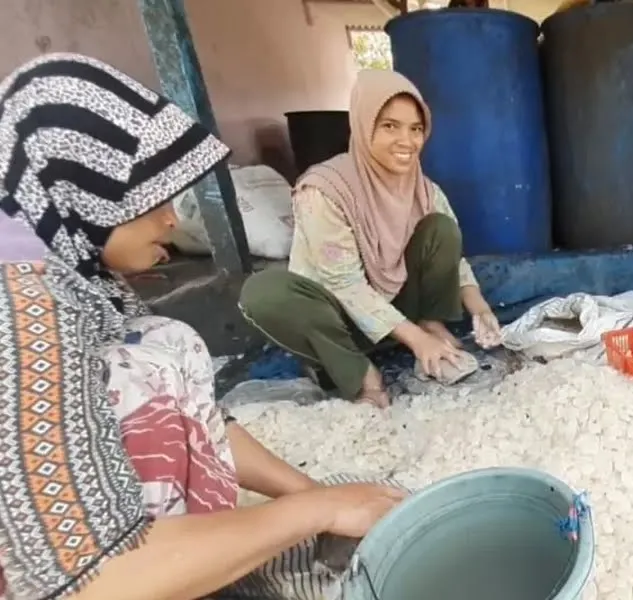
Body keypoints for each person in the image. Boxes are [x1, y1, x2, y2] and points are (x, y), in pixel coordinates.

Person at [0, 53, 406, 600]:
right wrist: (316, 509)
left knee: (164, 345)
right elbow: (92, 581)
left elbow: (199, 418)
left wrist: (315, 501)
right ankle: (184, 562)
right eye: (148, 196)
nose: (171, 217)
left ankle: (197, 549)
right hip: (107, 578)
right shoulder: (20, 315)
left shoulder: (82, 273)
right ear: (83, 187)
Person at [239, 70, 501, 408]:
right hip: (337, 320)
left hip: (395, 307)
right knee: (264, 292)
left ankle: (431, 325)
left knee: (441, 229)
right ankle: (361, 373)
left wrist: (478, 307)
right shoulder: (325, 190)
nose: (406, 141)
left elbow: (455, 257)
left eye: (416, 128)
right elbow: (345, 284)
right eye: (390, 126)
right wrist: (416, 341)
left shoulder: (423, 189)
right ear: (363, 126)